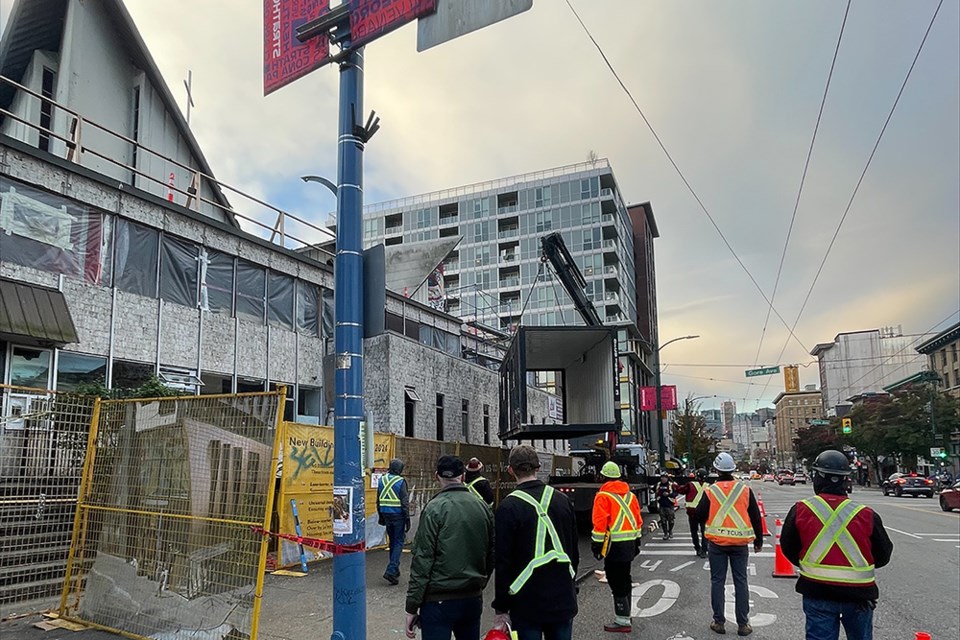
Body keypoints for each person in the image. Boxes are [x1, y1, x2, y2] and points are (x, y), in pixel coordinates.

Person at [780, 450, 894, 640]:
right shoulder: (866, 514)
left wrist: (809, 564)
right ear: (845, 480)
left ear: (818, 478)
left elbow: (788, 546)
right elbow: (883, 554)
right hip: (859, 596)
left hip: (818, 592)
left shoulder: (801, 509)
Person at [491, 445, 579, 640]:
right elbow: (573, 551)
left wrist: (501, 607)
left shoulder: (507, 508)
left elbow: (503, 562)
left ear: (510, 470)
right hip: (562, 597)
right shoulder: (562, 500)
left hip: (526, 603)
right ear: (538, 467)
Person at [405, 455, 494, 640]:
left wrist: (412, 606)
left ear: (437, 477)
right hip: (471, 597)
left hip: (437, 600)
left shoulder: (433, 509)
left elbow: (422, 560)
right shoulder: (482, 508)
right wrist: (479, 582)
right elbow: (492, 553)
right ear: (462, 476)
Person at [696, 452, 764, 637]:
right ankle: (743, 624)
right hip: (740, 544)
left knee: (717, 582)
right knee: (741, 581)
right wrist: (759, 540)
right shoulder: (744, 489)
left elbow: (700, 515)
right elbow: (756, 517)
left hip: (717, 544)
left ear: (716, 470)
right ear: (733, 469)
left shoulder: (710, 491)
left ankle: (719, 622)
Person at [591, 460, 643, 634]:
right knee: (625, 578)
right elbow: (637, 520)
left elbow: (600, 524)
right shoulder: (630, 496)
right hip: (629, 545)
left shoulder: (603, 496)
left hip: (613, 546)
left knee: (616, 581)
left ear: (603, 477)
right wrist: (637, 542)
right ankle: (626, 614)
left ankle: (622, 621)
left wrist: (596, 546)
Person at [377, 458, 411, 585]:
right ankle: (391, 570)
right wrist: (407, 519)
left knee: (393, 543)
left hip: (386, 514)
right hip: (398, 516)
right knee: (398, 542)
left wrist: (381, 516)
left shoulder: (382, 479)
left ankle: (395, 569)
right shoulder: (400, 481)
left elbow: (378, 500)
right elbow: (404, 502)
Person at [684, 468, 708, 557]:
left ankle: (698, 549)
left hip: (692, 512)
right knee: (704, 532)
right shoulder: (709, 486)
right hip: (704, 513)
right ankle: (704, 551)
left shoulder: (690, 485)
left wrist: (674, 485)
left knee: (694, 532)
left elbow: (681, 490)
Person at [655, 473, 678, 540]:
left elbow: (676, 493)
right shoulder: (658, 485)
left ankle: (670, 531)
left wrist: (669, 494)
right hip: (661, 505)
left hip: (669, 505)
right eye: (662, 477)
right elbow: (653, 490)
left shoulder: (671, 485)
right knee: (663, 521)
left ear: (667, 478)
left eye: (664, 477)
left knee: (671, 521)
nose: (662, 479)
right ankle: (665, 533)